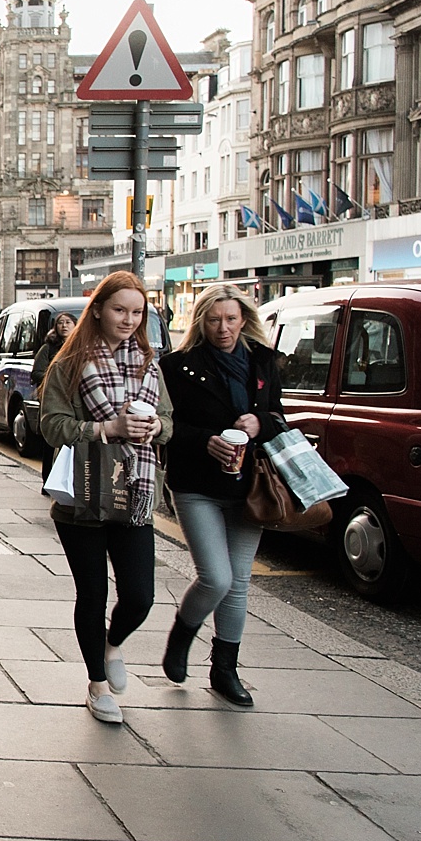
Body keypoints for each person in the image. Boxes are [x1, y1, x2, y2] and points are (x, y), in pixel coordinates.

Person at [38, 271, 172, 725]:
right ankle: (97, 684)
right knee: (92, 593)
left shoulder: (149, 365)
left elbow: (169, 419)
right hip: (86, 496)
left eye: (137, 312)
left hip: (135, 493)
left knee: (140, 595)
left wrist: (155, 427)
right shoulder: (68, 364)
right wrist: (106, 429)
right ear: (97, 309)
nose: (129, 320)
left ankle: (112, 647)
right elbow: (52, 425)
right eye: (120, 310)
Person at [158, 284, 287, 707]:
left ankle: (224, 670)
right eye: (214, 320)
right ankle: (182, 634)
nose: (223, 328)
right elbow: (166, 428)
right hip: (197, 484)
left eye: (231, 319)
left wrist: (260, 423)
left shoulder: (263, 360)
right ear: (201, 321)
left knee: (239, 582)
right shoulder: (177, 366)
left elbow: (279, 418)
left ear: (244, 318)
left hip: (250, 486)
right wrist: (204, 441)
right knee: (216, 576)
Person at [32, 312, 77, 488]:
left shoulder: (81, 346)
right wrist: (58, 379)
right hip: (54, 400)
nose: (64, 326)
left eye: (68, 322)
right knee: (51, 443)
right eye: (60, 323)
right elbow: (36, 373)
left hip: (75, 401)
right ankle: (48, 481)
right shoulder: (48, 348)